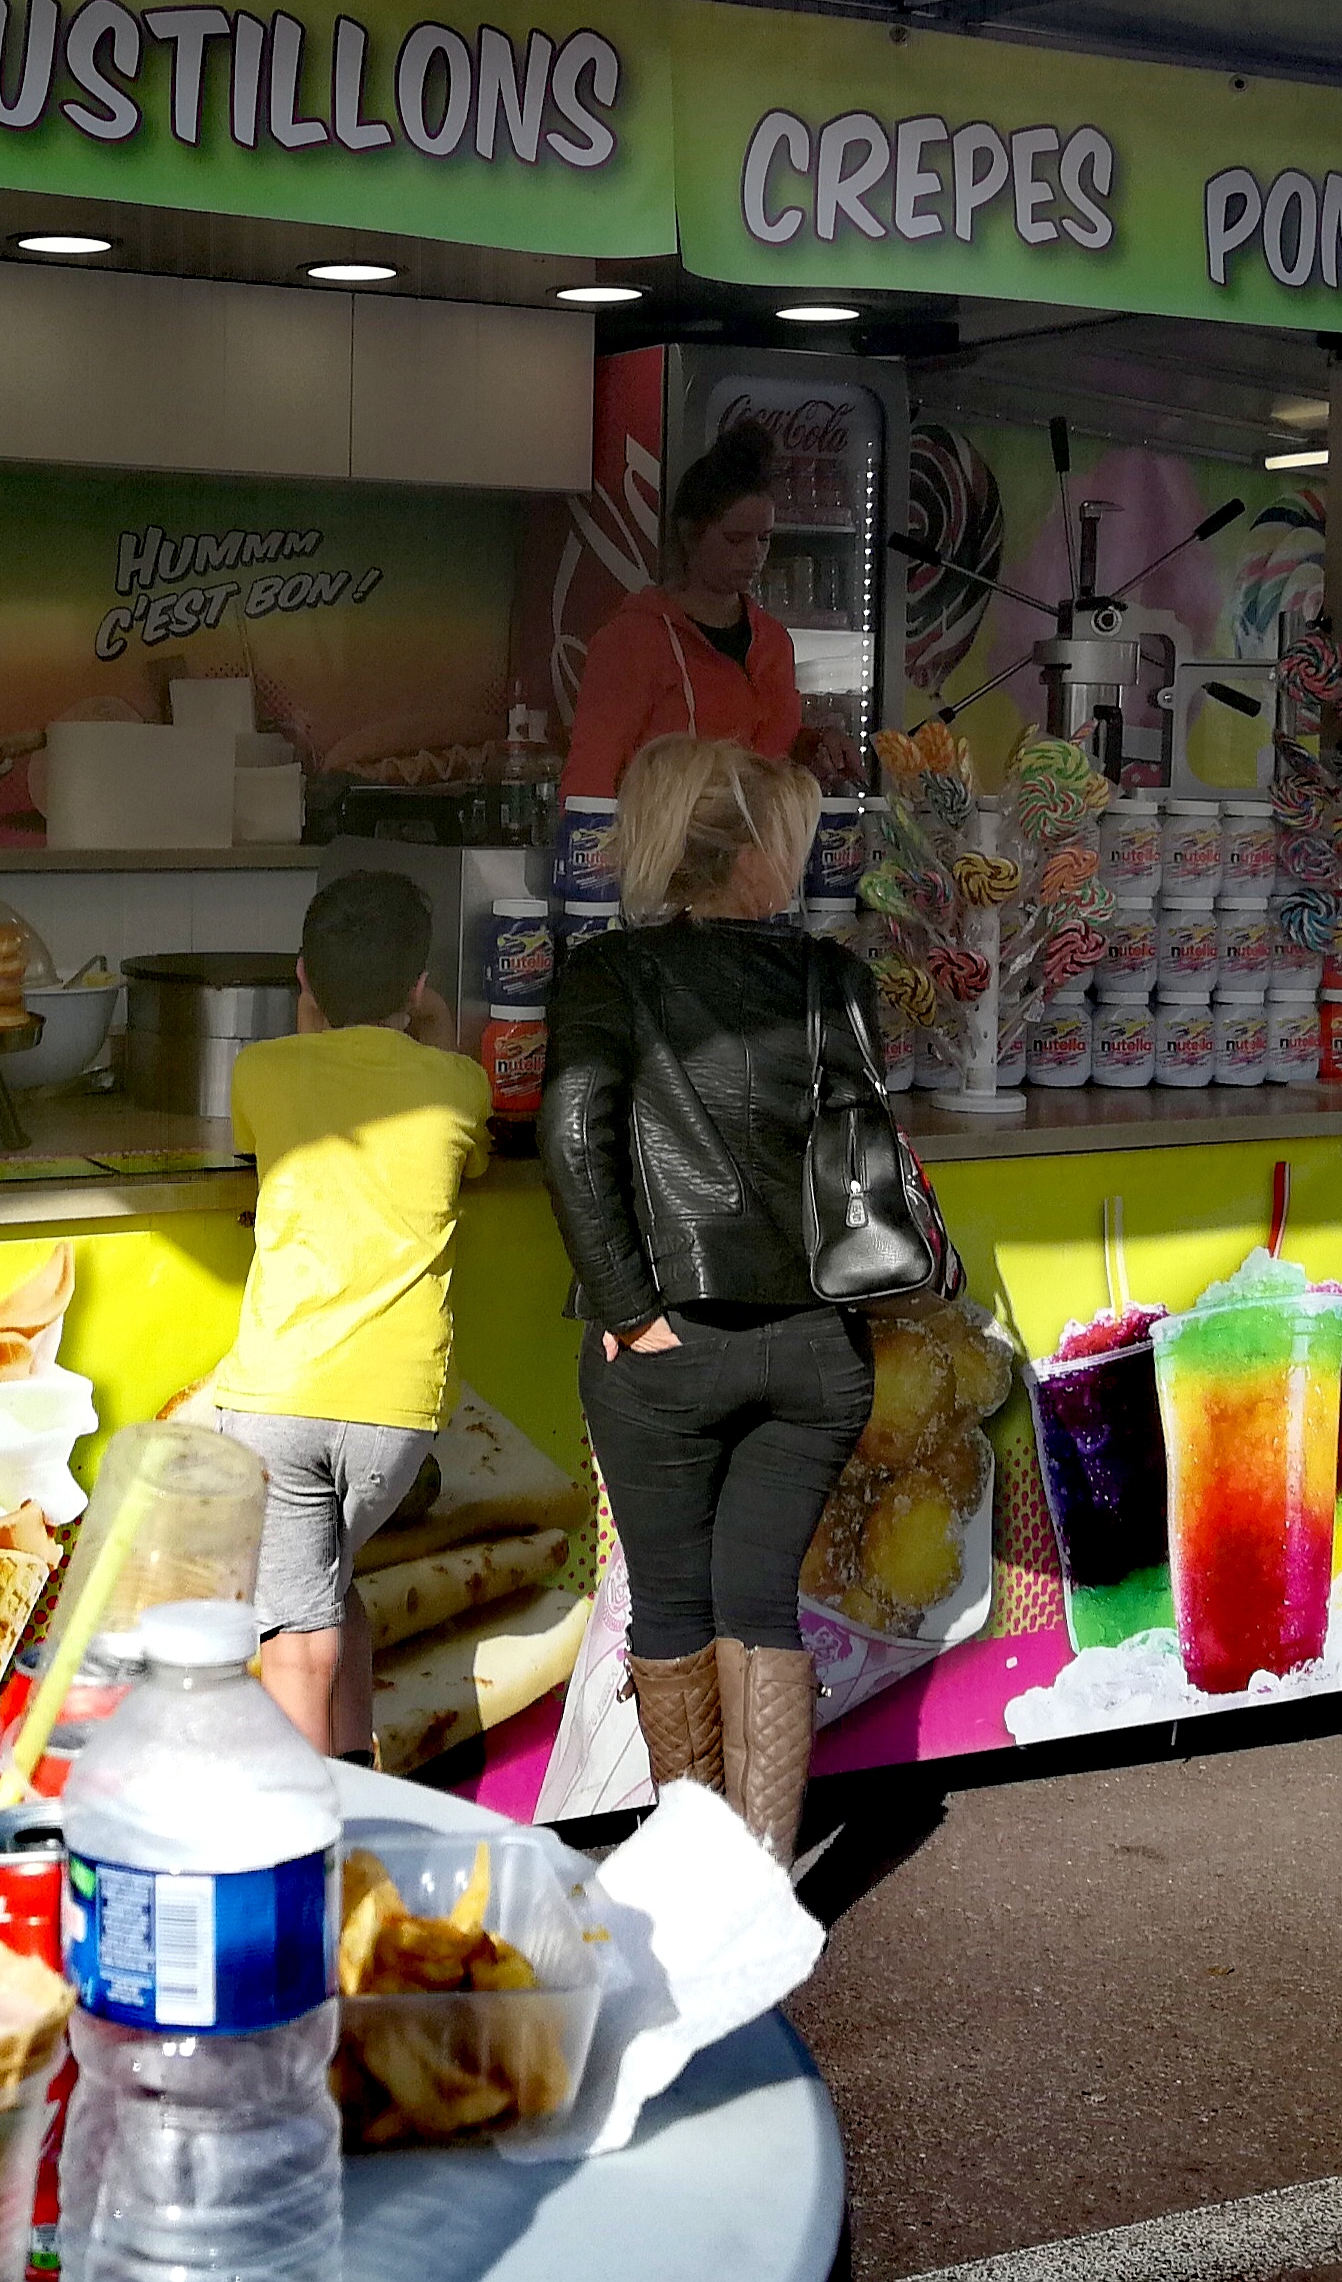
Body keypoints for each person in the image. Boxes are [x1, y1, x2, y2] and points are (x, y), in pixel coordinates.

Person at [537, 733, 872, 1863]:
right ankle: (760, 1887)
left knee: (675, 1610)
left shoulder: (605, 975)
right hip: (816, 1345)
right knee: (761, 1606)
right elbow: (860, 1155)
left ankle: (695, 1882)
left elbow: (574, 1137)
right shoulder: (834, 979)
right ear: (750, 853)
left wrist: (629, 1310)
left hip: (665, 1346)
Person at [214, 870, 493, 1760]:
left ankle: (310, 1829)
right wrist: (429, 1030)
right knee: (333, 1594)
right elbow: (464, 1145)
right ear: (419, 986)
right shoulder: (456, 1085)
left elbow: (281, 1114)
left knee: (296, 1641)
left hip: (279, 1399)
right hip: (396, 1415)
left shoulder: (260, 1070)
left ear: (303, 977)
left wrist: (322, 1022)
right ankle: (360, 1787)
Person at [561, 415, 804, 798]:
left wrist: (815, 744)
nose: (754, 555)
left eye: (764, 539)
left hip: (763, 832)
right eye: (736, 539)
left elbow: (772, 749)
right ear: (690, 535)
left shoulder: (774, 641)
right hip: (668, 834)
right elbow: (591, 771)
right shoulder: (633, 639)